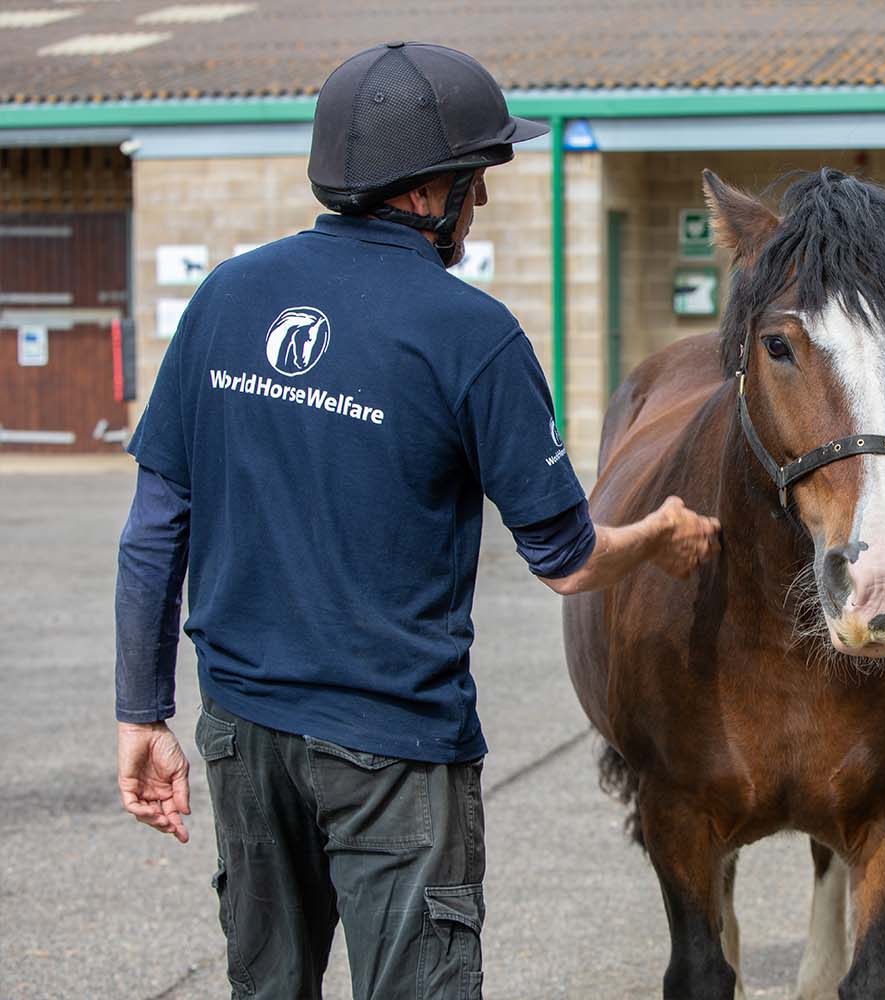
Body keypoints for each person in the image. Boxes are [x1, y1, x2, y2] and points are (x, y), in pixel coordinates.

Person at [113, 42, 719, 999]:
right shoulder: (472, 336)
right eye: (476, 183)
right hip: (392, 748)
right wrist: (660, 537)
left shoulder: (226, 297)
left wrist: (141, 710)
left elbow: (155, 524)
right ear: (431, 191)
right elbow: (565, 561)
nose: (480, 206)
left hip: (240, 732)